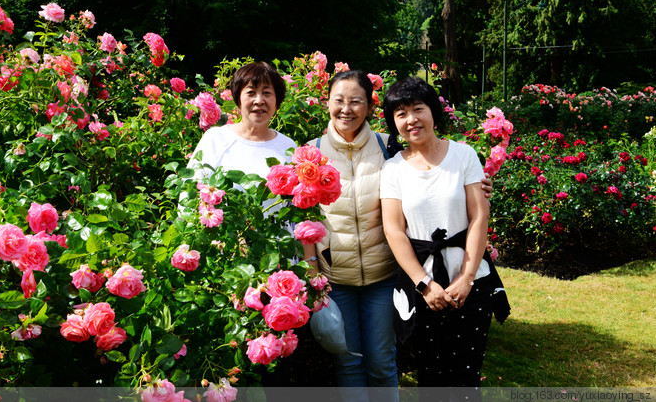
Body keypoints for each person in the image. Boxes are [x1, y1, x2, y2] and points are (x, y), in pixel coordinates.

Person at [305, 71, 493, 400]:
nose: (346, 108)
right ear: (327, 103)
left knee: (382, 361)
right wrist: (312, 268)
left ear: (369, 107)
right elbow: (304, 212)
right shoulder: (311, 154)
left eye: (356, 101)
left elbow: (460, 201)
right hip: (339, 277)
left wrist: (476, 186)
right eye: (339, 100)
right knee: (348, 361)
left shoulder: (384, 147)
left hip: (383, 275)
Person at [379, 77, 509, 389]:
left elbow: (479, 217)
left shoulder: (463, 155)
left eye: (417, 109)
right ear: (393, 122)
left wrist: (466, 277)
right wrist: (424, 285)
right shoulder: (393, 168)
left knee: (466, 372)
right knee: (431, 375)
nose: (411, 119)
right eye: (401, 113)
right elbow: (394, 230)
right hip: (424, 285)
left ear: (433, 112)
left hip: (471, 281)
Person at [187, 61, 295, 178]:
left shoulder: (287, 147)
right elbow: (188, 191)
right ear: (238, 99)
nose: (259, 101)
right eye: (251, 93)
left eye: (266, 93)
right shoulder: (216, 139)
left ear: (277, 101)